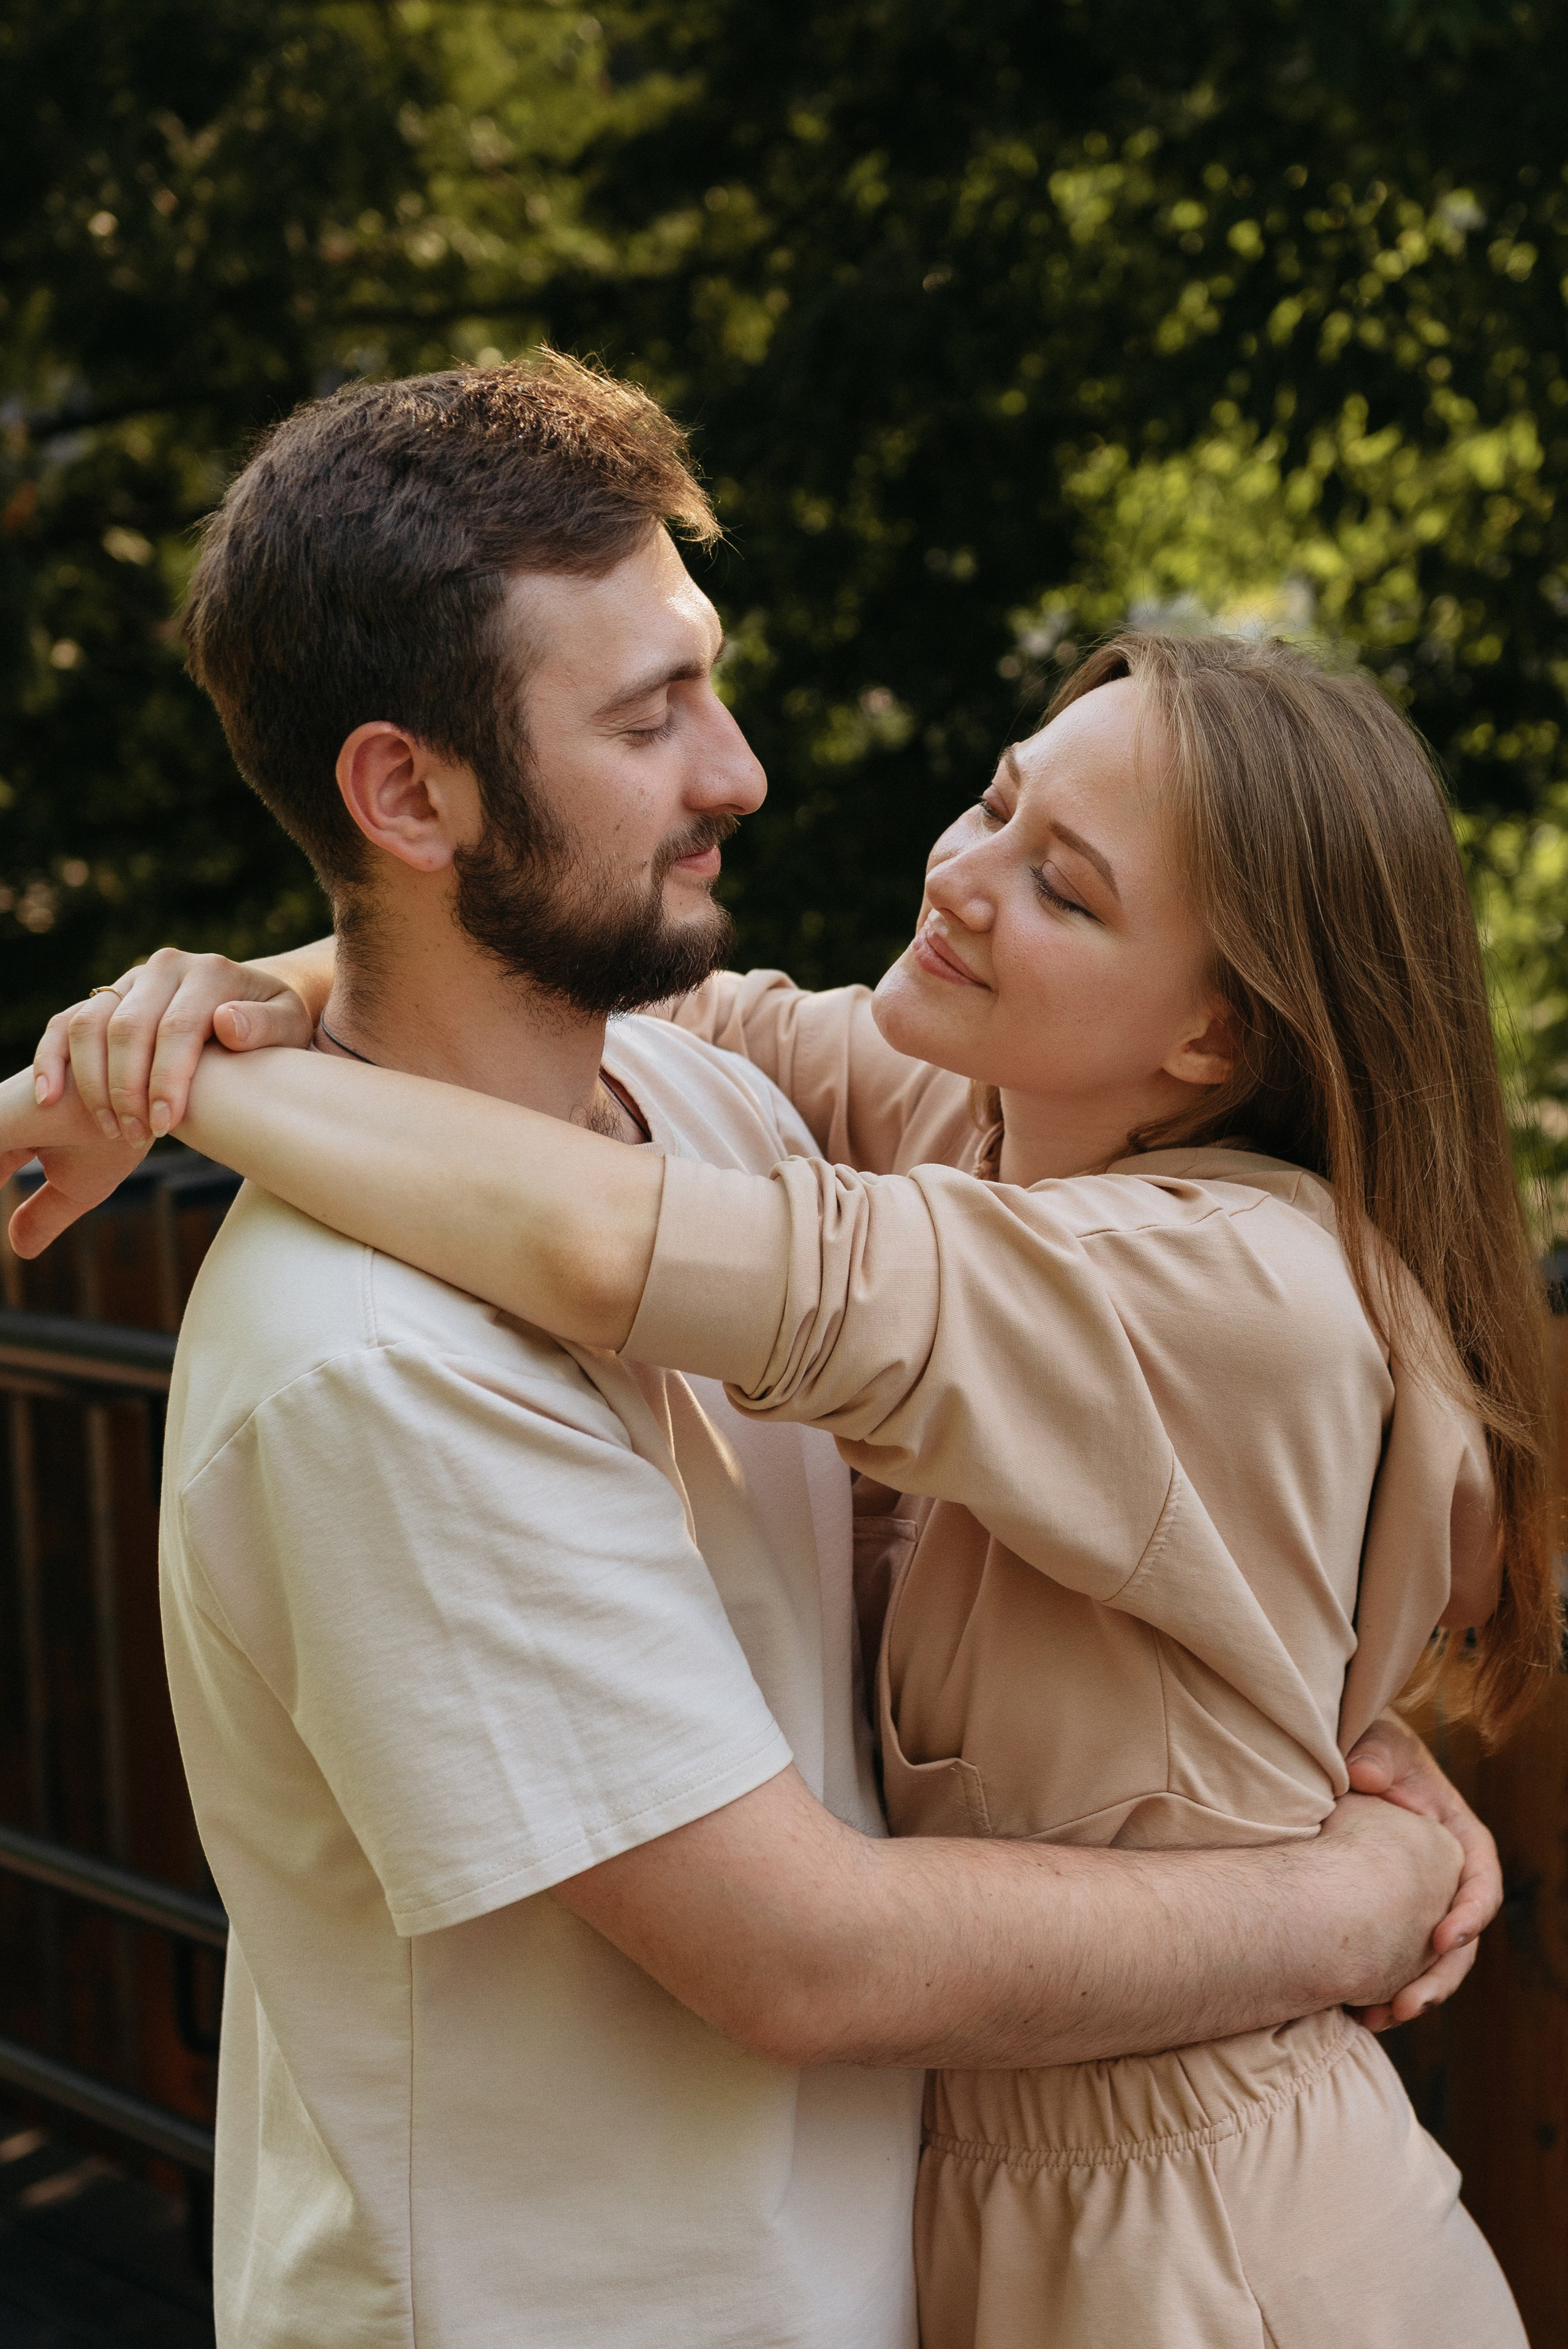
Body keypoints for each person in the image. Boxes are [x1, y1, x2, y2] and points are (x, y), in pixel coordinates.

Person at [4, 364, 1496, 2346]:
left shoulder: (760, 1136)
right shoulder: (379, 1347)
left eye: (1068, 884)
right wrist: (1344, 1893)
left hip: (1161, 2247)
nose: (747, 772)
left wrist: (181, 1066)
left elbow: (625, 1168)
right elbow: (803, 1952)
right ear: (411, 793)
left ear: (1219, 1033)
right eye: (650, 717)